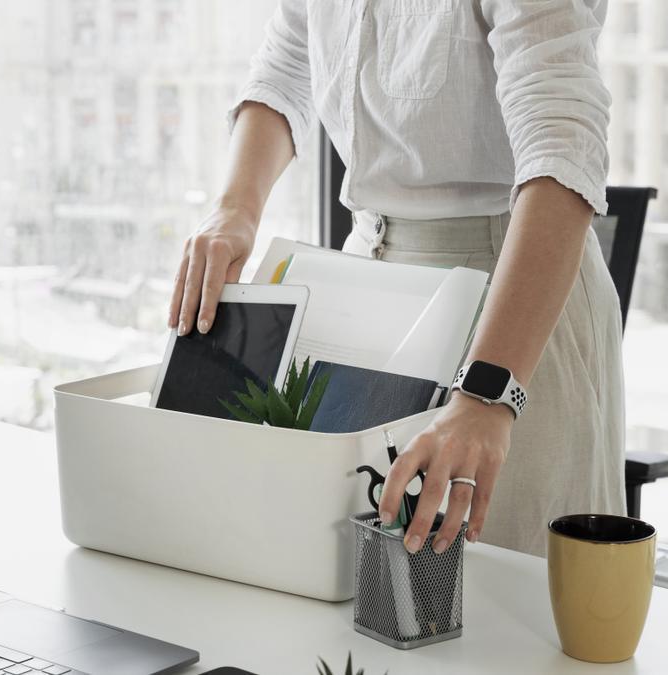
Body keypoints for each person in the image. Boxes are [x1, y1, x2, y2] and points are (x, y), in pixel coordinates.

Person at [168, 0, 623, 557]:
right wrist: (234, 209)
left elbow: (563, 148)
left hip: (508, 304)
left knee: (505, 595)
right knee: (357, 583)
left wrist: (486, 394)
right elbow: (288, 62)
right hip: (367, 285)